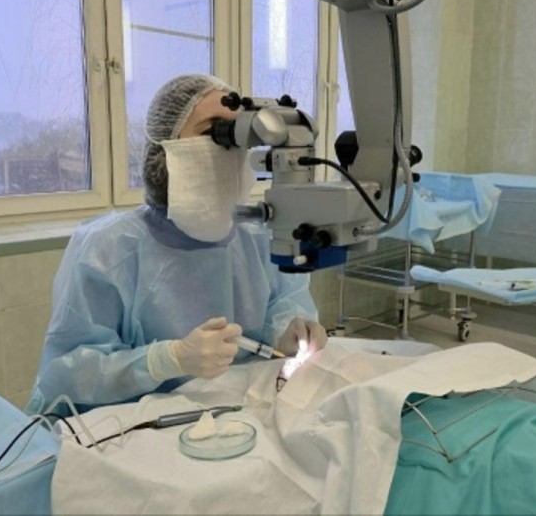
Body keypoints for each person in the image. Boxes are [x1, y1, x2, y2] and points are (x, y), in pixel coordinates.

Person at [26, 74, 327, 416]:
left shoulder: (258, 236)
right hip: (132, 428)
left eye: (238, 133)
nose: (230, 148)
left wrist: (286, 334)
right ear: (164, 148)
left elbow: (285, 303)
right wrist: (164, 361)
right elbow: (65, 376)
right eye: (214, 131)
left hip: (236, 417)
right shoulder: (107, 249)